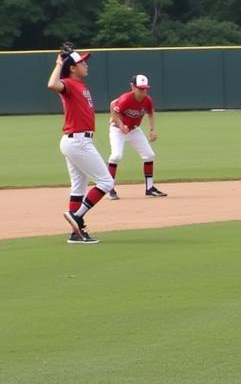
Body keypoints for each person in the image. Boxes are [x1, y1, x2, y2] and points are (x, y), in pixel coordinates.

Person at [46, 46, 113, 244]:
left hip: (76, 141)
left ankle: (76, 233)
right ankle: (77, 216)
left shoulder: (80, 84)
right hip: (78, 141)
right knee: (107, 182)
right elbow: (51, 84)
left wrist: (70, 58)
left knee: (78, 187)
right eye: (82, 62)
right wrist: (59, 64)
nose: (86, 64)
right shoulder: (67, 83)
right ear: (72, 68)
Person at [107, 74, 167, 199]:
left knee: (149, 155)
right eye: (140, 88)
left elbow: (151, 113)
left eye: (145, 88)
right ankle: (109, 188)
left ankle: (149, 188)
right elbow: (113, 107)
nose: (143, 91)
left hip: (134, 130)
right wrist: (121, 124)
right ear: (133, 87)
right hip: (118, 130)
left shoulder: (147, 100)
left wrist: (151, 130)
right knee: (116, 156)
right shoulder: (125, 99)